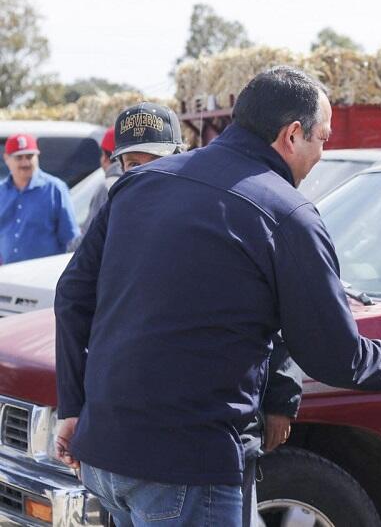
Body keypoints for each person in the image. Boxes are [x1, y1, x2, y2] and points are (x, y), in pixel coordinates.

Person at [54, 67, 381, 527]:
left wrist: (73, 409)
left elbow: (72, 296)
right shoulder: (286, 214)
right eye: (323, 140)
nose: (321, 154)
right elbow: (336, 357)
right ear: (293, 135)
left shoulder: (138, 186)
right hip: (187, 467)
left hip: (104, 454)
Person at [82, 101, 303, 527]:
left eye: (153, 160)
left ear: (182, 153)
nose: (141, 170)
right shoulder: (115, 205)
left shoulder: (219, 202)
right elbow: (81, 298)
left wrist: (282, 394)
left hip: (208, 436)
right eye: (131, 161)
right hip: (139, 446)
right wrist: (81, 411)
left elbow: (274, 305)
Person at [0, 133, 80, 264]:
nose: (25, 162)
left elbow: (71, 240)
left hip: (42, 276)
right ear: (6, 158)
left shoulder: (55, 189)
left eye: (30, 156)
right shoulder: (1, 191)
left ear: (37, 156)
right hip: (7, 276)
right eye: (19, 157)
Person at [80, 126, 123, 234]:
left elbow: (88, 238)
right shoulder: (149, 182)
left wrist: (69, 248)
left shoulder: (107, 187)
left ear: (105, 157)